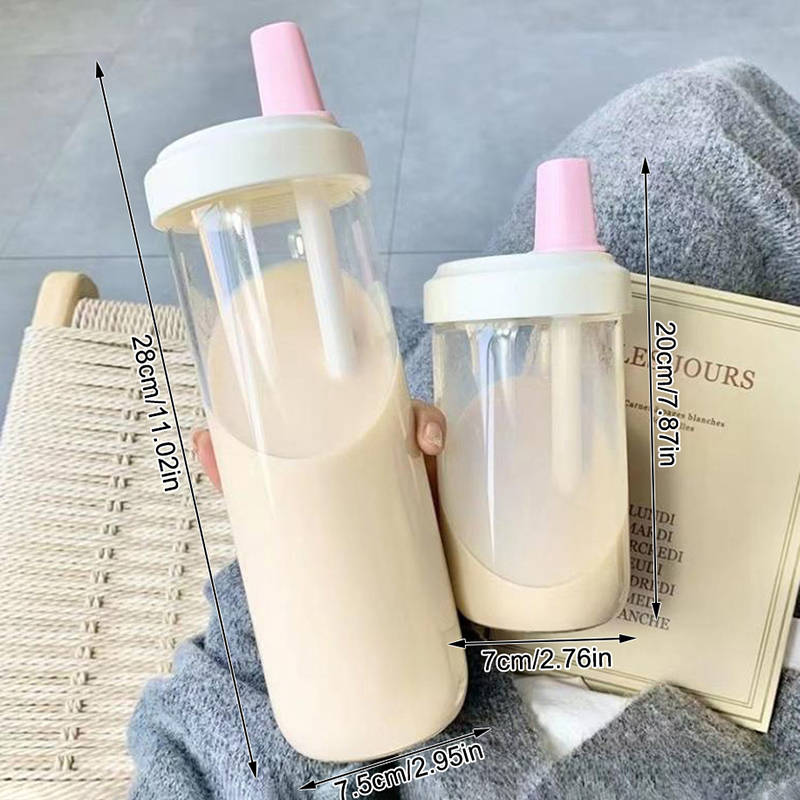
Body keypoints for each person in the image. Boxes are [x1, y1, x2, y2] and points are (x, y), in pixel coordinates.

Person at [129, 58, 800, 799]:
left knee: (690, 127)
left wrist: (356, 518)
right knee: (703, 124)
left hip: (440, 586)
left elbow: (198, 734)